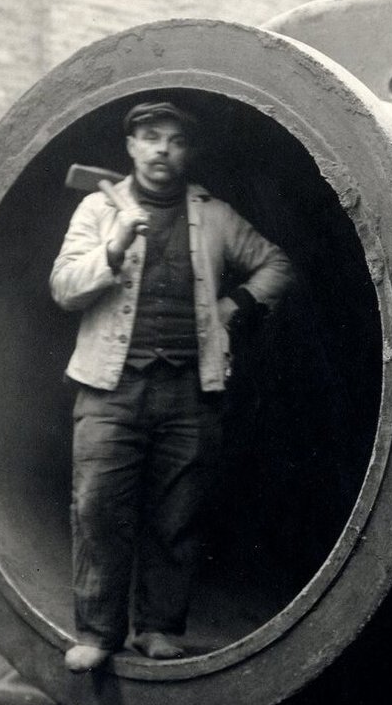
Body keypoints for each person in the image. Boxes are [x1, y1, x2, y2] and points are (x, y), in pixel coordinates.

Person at [49, 100, 294, 673]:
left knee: (175, 515)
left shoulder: (213, 215)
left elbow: (276, 265)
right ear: (131, 147)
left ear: (189, 153)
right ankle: (97, 632)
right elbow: (63, 287)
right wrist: (112, 248)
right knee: (98, 509)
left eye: (175, 140)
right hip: (110, 389)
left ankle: (157, 628)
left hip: (190, 389)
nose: (162, 149)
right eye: (151, 137)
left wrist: (234, 305)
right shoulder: (96, 208)